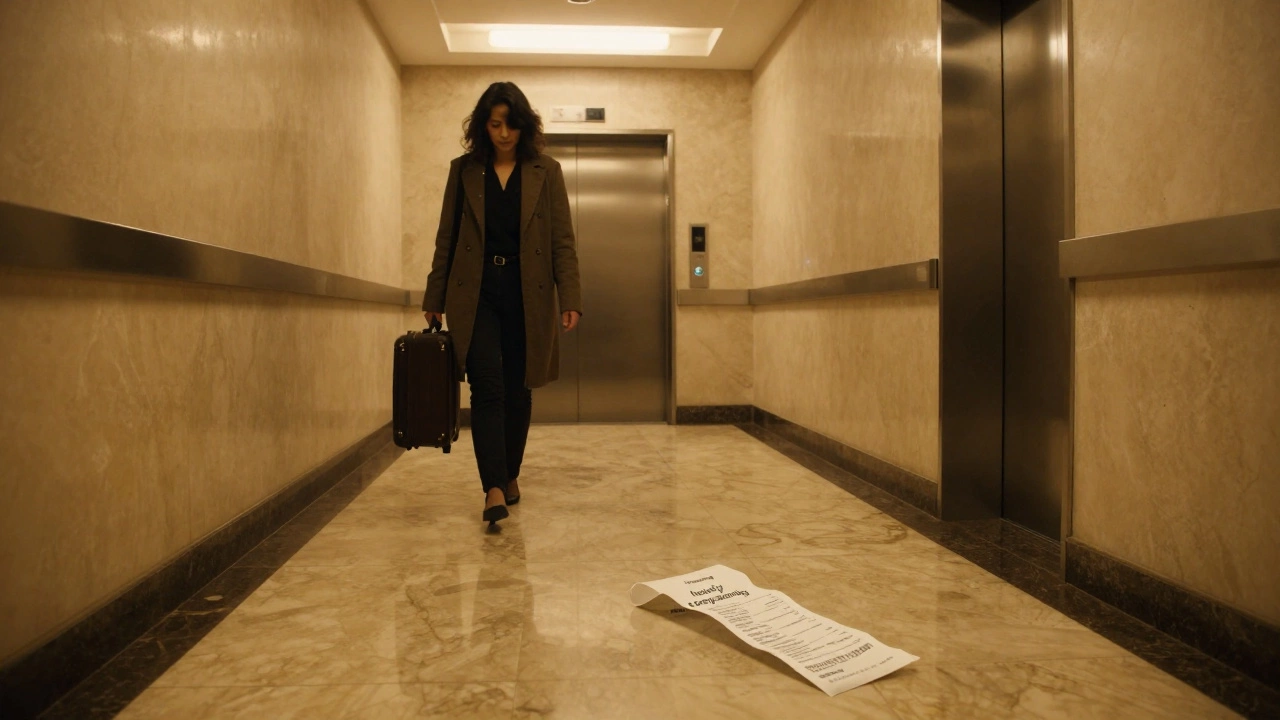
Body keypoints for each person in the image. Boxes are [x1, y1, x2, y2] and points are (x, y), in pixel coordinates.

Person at [422, 82, 582, 525]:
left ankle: (511, 473)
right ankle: (493, 486)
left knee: (519, 389)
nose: (504, 133)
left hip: (527, 290)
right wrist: (434, 295)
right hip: (475, 292)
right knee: (487, 386)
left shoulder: (545, 171)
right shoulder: (464, 171)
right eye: (495, 124)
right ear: (482, 126)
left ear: (524, 126)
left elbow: (562, 241)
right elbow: (447, 237)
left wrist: (570, 295)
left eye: (511, 124)